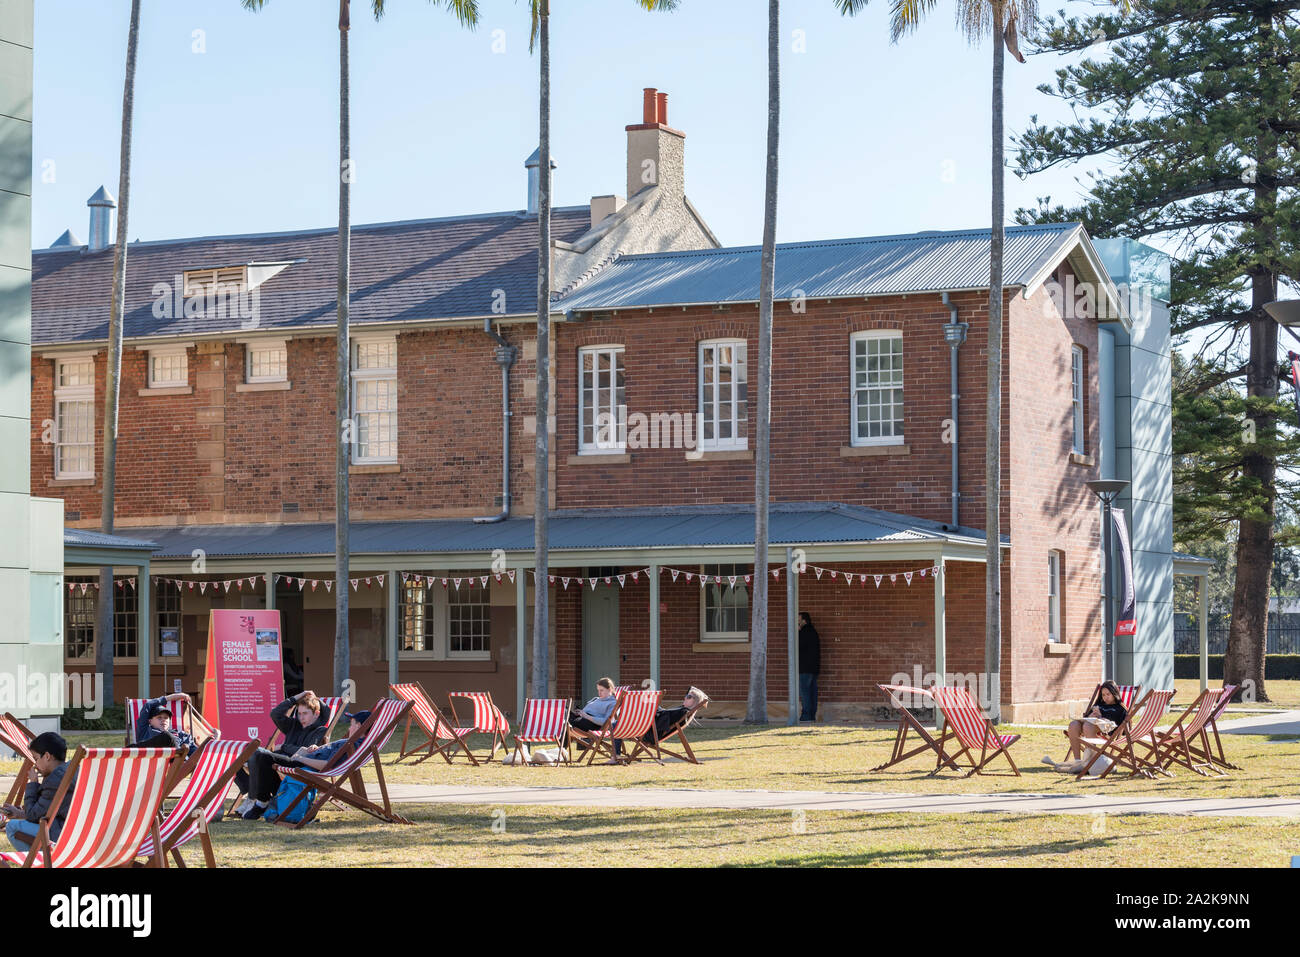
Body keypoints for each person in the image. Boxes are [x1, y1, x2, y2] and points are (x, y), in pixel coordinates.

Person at [232, 690, 330, 820]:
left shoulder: (320, 730)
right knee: (240, 754)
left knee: (260, 754)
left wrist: (284, 747)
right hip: (282, 760)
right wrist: (296, 698)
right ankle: (252, 793)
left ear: (316, 714)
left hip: (297, 763)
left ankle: (260, 801)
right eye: (299, 713)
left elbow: (304, 752)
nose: (301, 717)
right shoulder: (294, 724)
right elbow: (275, 713)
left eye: (305, 714)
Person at [1, 732, 76, 851]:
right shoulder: (73, 770)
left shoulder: (55, 780)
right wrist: (19, 813)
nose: (35, 765)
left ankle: (40, 863)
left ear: (47, 756)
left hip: (64, 837)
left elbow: (33, 815)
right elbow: (44, 810)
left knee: (12, 827)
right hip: (81, 834)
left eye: (36, 759)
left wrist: (33, 782)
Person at [1063, 681, 1128, 761]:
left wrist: (1101, 718)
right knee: (1073, 724)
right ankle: (1077, 761)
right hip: (1090, 727)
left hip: (1107, 732)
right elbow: (1087, 718)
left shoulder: (1120, 708)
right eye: (1103, 695)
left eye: (1108, 694)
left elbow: (1123, 729)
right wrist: (1091, 715)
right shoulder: (1099, 705)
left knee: (1088, 725)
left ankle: (1089, 761)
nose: (1105, 697)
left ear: (1114, 693)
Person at [132, 692, 199, 755]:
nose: (163, 720)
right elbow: (148, 705)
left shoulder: (181, 735)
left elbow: (196, 754)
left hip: (181, 764)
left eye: (166, 718)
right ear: (150, 721)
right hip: (154, 762)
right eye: (159, 718)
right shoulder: (144, 731)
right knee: (167, 737)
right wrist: (170, 697)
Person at [798, 612, 820, 722]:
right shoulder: (814, 632)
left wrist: (797, 632)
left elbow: (798, 646)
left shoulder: (804, 632)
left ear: (804, 621)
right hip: (814, 667)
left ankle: (806, 715)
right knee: (812, 691)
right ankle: (812, 714)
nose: (797, 622)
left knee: (805, 692)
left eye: (799, 620)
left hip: (805, 668)